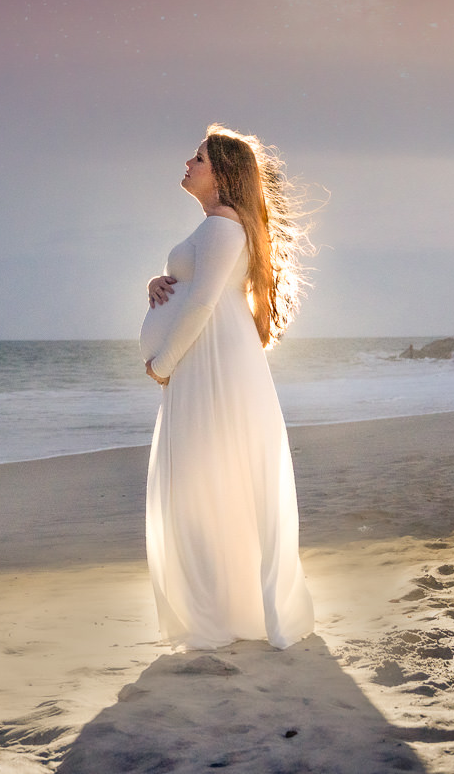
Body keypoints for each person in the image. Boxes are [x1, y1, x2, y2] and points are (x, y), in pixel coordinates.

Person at [139, 125, 316, 650]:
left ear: (220, 175)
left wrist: (164, 363)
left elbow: (201, 304)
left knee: (201, 482)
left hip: (208, 366)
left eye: (198, 158)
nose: (188, 163)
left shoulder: (221, 228)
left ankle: (218, 613)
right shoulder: (217, 229)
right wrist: (157, 282)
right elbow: (194, 289)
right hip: (211, 363)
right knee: (212, 482)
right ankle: (225, 606)